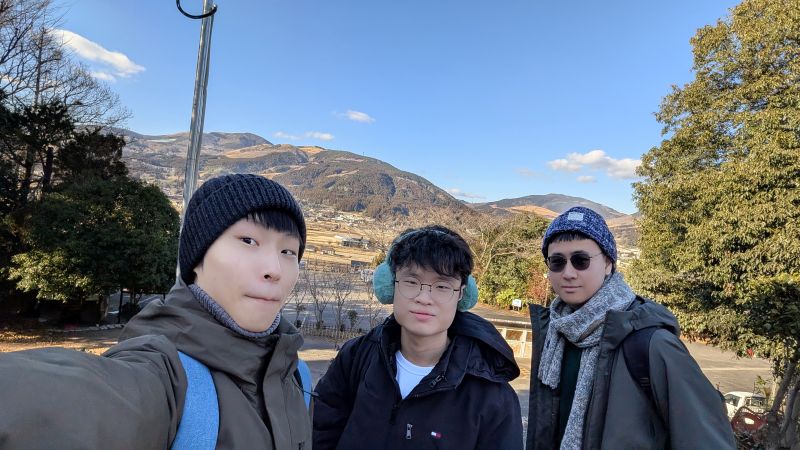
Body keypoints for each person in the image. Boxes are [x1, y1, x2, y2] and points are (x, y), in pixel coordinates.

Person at [0, 174, 312, 449]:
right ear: (198, 257)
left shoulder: (296, 375)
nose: (275, 269)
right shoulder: (164, 375)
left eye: (288, 251)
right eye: (248, 240)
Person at [526, 206, 736, 449]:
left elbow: (707, 440)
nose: (568, 273)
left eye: (581, 260)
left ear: (608, 263)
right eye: (557, 262)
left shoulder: (651, 343)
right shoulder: (555, 335)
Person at [313, 225, 524, 450]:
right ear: (391, 285)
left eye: (442, 286)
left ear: (462, 295)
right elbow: (319, 434)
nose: (424, 298)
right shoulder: (356, 358)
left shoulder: (492, 395)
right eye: (412, 282)